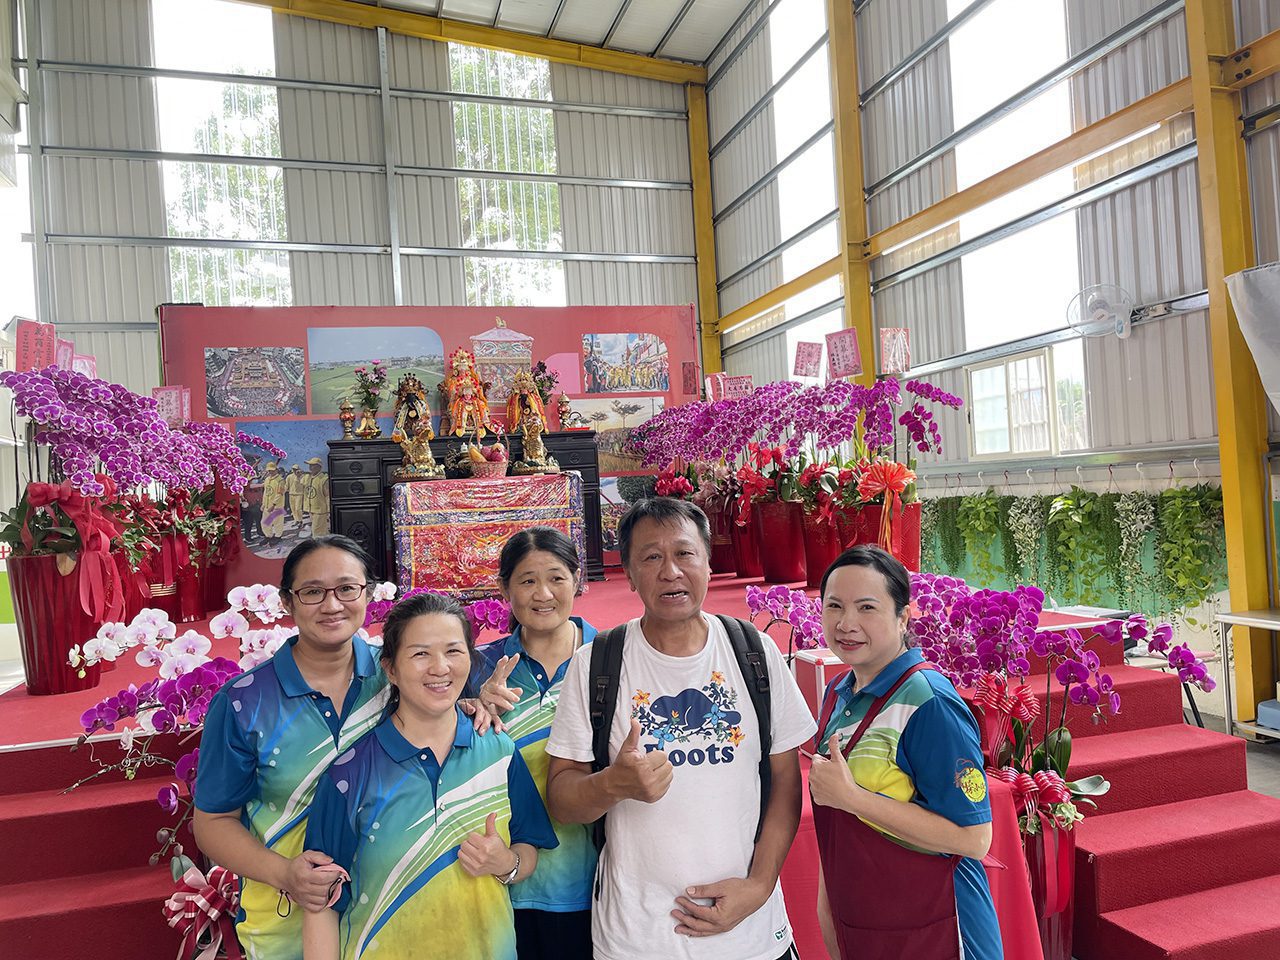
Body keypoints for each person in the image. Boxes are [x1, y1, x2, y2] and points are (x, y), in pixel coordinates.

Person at [544, 498, 816, 960]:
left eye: (685, 553)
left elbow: (787, 782)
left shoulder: (754, 653)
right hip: (636, 939)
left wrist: (760, 884)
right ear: (627, 574)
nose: (670, 571)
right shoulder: (596, 665)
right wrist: (613, 784)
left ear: (709, 563)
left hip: (749, 934)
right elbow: (562, 800)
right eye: (651, 557)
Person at [301, 591, 560, 960]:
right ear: (390, 668)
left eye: (454, 651)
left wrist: (505, 864)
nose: (440, 667)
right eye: (421, 653)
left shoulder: (499, 750)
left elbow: (527, 848)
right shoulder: (349, 774)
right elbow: (321, 901)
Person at [193, 536, 391, 959]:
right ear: (287, 602)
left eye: (347, 588)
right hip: (284, 920)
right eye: (313, 592)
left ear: (369, 593)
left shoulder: (398, 681)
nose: (332, 604)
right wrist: (286, 874)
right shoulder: (244, 702)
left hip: (391, 909)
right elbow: (212, 822)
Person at [808, 545, 1002, 960]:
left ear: (903, 617)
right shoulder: (838, 692)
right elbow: (836, 822)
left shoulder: (929, 702)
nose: (846, 623)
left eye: (867, 608)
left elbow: (974, 838)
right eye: (834, 606)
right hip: (865, 925)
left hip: (936, 929)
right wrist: (830, 914)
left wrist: (853, 797)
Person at [471, 528, 598, 960]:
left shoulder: (612, 657)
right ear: (504, 588)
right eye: (526, 581)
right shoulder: (478, 667)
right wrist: (467, 709)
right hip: (502, 883)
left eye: (557, 578)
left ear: (577, 580)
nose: (542, 593)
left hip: (597, 883)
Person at [262, 462, 288, 545]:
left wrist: (273, 504)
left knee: (277, 522)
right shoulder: (267, 479)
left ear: (276, 470)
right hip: (267, 505)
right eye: (269, 470)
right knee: (265, 522)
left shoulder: (280, 480)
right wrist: (263, 503)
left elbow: (280, 494)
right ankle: (268, 536)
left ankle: (278, 536)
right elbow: (266, 493)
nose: (270, 472)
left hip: (277, 506)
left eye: (272, 470)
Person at [305, 457, 330, 536]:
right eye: (310, 465)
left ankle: (319, 547)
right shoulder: (310, 478)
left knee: (316, 532)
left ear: (319, 467)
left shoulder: (323, 479)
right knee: (322, 530)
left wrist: (329, 511)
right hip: (311, 509)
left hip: (320, 511)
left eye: (313, 465)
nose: (310, 467)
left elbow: (328, 496)